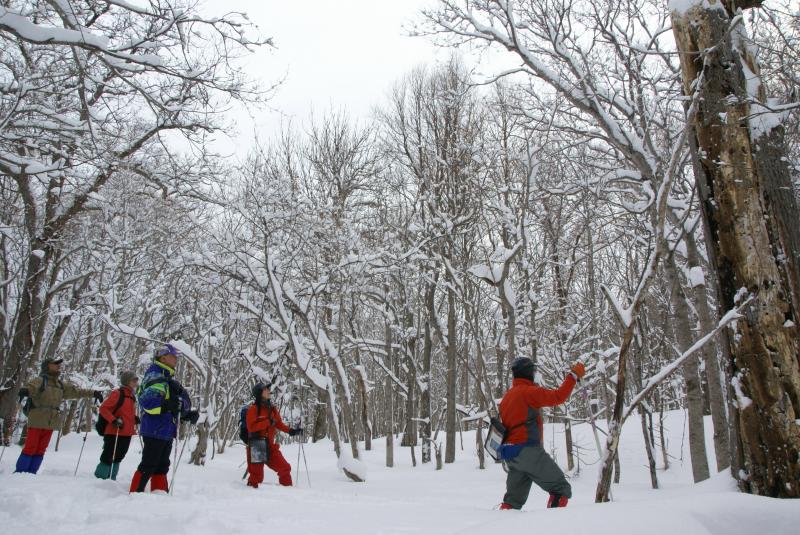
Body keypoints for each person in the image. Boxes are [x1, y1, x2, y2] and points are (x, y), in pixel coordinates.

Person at [498, 357, 585, 510]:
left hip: (512, 455)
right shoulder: (529, 392)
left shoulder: (507, 397)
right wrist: (573, 377)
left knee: (512, 502)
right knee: (561, 489)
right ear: (529, 373)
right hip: (528, 451)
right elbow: (558, 396)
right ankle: (552, 526)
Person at [129, 344, 199, 493]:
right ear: (163, 357)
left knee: (162, 465)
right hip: (155, 428)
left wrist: (186, 414)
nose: (176, 359)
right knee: (149, 464)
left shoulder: (166, 377)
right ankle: (135, 494)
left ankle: (159, 494)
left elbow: (172, 405)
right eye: (173, 356)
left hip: (165, 429)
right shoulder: (155, 375)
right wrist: (168, 404)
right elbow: (147, 402)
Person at [15, 358, 103, 474]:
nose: (58, 365)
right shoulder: (40, 380)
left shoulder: (60, 384)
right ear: (47, 366)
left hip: (52, 421)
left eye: (58, 364)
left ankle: (31, 473)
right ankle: (20, 472)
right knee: (31, 447)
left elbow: (76, 392)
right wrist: (25, 391)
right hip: (37, 418)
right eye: (55, 363)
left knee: (41, 449)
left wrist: (93, 393)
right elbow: (31, 388)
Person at [245, 382, 302, 488]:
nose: (268, 391)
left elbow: (279, 423)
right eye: (265, 389)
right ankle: (251, 498)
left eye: (268, 389)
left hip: (270, 447)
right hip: (257, 446)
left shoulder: (272, 409)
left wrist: (291, 431)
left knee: (285, 468)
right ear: (259, 393)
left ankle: (288, 493)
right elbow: (251, 427)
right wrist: (267, 422)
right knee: (256, 478)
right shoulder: (253, 409)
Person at [95, 371, 139, 480]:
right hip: (114, 430)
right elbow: (103, 408)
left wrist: (134, 418)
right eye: (134, 380)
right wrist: (113, 420)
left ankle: (112, 478)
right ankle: (101, 477)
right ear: (127, 381)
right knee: (109, 454)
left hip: (127, 432)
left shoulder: (132, 396)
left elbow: (125, 412)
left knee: (119, 455)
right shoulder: (118, 393)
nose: (136, 382)